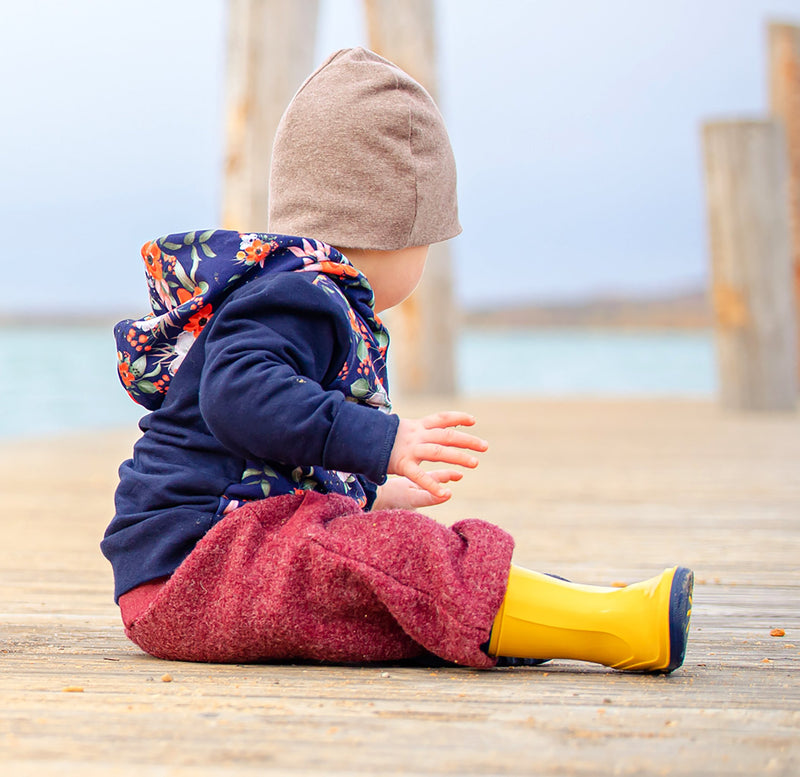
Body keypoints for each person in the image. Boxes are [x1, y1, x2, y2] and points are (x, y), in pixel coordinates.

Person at [102, 47, 693, 672]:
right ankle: (607, 625)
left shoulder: (301, 297)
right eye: (428, 242)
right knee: (401, 561)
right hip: (196, 570)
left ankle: (580, 614)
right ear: (394, 230)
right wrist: (383, 442)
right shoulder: (296, 297)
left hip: (229, 565)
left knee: (398, 582)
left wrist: (365, 495)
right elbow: (239, 398)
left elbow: (271, 448)